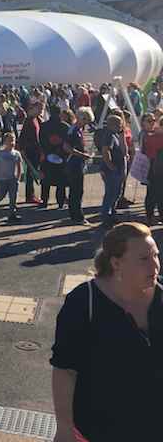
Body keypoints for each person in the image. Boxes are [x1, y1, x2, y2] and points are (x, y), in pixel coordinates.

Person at [51, 222, 162, 442]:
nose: (155, 266)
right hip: (100, 430)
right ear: (116, 263)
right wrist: (64, 429)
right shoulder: (84, 303)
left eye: (156, 255)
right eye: (144, 259)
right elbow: (65, 369)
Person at [64, 107, 95, 226]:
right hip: (74, 163)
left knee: (75, 190)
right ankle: (78, 216)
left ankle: (74, 215)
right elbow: (66, 147)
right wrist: (83, 155)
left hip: (77, 163)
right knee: (77, 190)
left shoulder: (77, 129)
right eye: (86, 120)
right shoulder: (73, 130)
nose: (87, 123)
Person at [98, 114, 128, 228]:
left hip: (117, 168)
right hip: (111, 170)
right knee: (110, 194)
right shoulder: (108, 135)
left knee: (116, 193)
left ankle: (112, 214)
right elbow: (106, 151)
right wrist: (110, 166)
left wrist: (122, 135)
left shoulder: (115, 134)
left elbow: (123, 151)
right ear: (113, 125)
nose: (121, 126)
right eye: (119, 124)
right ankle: (106, 217)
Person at [39, 105, 69, 210]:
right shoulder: (65, 126)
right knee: (61, 181)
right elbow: (67, 142)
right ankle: (60, 202)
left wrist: (45, 152)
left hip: (47, 155)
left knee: (46, 180)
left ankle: (44, 201)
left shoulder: (43, 126)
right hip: (61, 155)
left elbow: (40, 141)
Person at [0, 133, 22, 223]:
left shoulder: (16, 154)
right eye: (9, 140)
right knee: (1, 195)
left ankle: (12, 214)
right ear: (5, 142)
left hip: (13, 179)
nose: (11, 142)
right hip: (2, 179)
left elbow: (19, 166)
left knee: (13, 197)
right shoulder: (0, 153)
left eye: (13, 140)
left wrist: (18, 176)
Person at [18, 102, 43, 204]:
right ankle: (29, 196)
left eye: (42, 109)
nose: (41, 111)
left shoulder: (37, 119)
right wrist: (23, 150)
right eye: (40, 109)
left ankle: (31, 194)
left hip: (36, 150)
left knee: (33, 173)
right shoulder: (29, 121)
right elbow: (23, 137)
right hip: (30, 151)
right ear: (33, 108)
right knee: (30, 174)